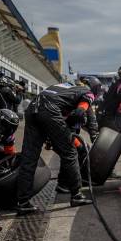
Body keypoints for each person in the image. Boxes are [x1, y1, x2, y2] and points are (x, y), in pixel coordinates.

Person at [15, 82, 97, 214]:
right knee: (70, 152)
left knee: (29, 157)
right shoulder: (87, 92)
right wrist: (89, 131)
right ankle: (77, 195)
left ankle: (23, 203)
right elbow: (81, 111)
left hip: (33, 107)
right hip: (49, 109)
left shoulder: (63, 87)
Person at [54, 76, 102, 193]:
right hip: (61, 131)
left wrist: (94, 136)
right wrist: (94, 135)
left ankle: (64, 183)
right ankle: (69, 184)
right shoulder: (83, 98)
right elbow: (91, 121)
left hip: (60, 131)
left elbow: (90, 122)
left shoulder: (71, 95)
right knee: (79, 151)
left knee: (73, 152)